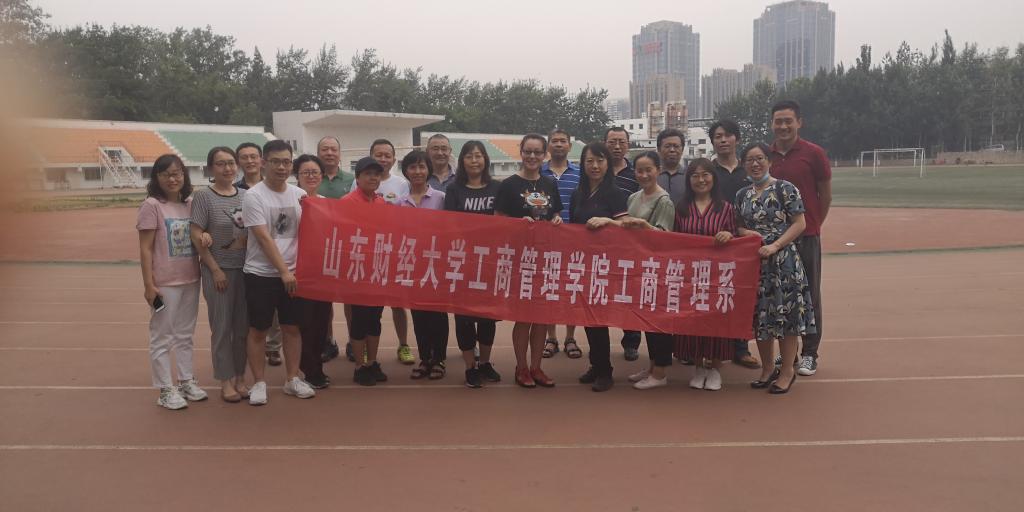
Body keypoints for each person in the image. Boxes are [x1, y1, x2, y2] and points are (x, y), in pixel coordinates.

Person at [736, 142, 816, 395]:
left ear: (769, 161)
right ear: (743, 164)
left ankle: (787, 371)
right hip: (756, 263)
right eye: (750, 160)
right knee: (761, 316)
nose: (755, 164)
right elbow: (738, 225)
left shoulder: (785, 188)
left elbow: (800, 223)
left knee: (786, 316)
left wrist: (776, 245)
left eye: (760, 158)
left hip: (784, 263)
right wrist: (745, 233)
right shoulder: (742, 195)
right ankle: (768, 368)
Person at [241, 139, 316, 405]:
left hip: (295, 274)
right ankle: (259, 383)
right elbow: (263, 237)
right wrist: (284, 271)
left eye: (286, 162)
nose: (282, 167)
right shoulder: (253, 196)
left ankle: (292, 378)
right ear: (264, 163)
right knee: (258, 330)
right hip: (261, 274)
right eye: (276, 162)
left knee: (292, 328)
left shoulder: (299, 195)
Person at [137, 154, 207, 410]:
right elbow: (145, 249)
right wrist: (149, 284)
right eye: (165, 174)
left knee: (185, 334)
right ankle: (165, 389)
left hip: (191, 278)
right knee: (162, 335)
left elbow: (199, 234)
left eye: (177, 173)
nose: (172, 179)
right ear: (157, 178)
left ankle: (186, 380)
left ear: (184, 175)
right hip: (165, 282)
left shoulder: (191, 204)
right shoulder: (152, 205)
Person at [767, 100, 832, 376]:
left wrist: (814, 224)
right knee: (779, 296)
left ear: (799, 123)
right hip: (774, 240)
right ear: (772, 124)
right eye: (778, 121)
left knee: (809, 294)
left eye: (788, 121)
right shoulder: (766, 155)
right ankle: (788, 353)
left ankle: (810, 353)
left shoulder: (813, 153)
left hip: (806, 236)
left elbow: (825, 195)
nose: (783, 126)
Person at [494, 133, 563, 388]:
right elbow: (498, 220)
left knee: (542, 316)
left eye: (537, 152)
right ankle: (521, 367)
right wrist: (516, 224)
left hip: (546, 259)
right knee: (524, 316)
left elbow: (555, 213)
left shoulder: (549, 183)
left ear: (545, 155)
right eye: (528, 151)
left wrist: (556, 219)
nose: (532, 156)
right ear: (521, 152)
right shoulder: (508, 185)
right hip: (521, 260)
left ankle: (537, 367)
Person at [671, 158, 741, 391]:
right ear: (688, 180)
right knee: (693, 319)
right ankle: (699, 366)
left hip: (718, 275)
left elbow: (736, 236)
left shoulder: (726, 208)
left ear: (713, 178)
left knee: (716, 320)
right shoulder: (681, 208)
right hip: (691, 275)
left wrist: (728, 235)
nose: (700, 180)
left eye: (705, 175)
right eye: (695, 176)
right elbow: (674, 240)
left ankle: (715, 368)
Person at [569, 142, 630, 392]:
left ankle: (605, 370)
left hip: (605, 265)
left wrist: (608, 221)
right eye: (590, 161)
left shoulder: (615, 193)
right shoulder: (578, 194)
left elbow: (627, 225)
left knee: (598, 318)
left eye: (600, 160)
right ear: (583, 164)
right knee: (587, 317)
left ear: (608, 163)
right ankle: (596, 364)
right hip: (583, 263)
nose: (595, 166)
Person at [190, 147, 249, 402]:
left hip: (246, 271)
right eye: (221, 164)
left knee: (243, 328)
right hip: (219, 272)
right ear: (211, 168)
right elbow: (196, 234)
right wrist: (215, 270)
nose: (228, 168)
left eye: (231, 163)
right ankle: (225, 380)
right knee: (222, 327)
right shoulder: (204, 197)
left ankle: (240, 377)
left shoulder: (246, 195)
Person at [444, 141, 503, 388]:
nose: (474, 160)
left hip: (489, 262)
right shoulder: (454, 189)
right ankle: (470, 366)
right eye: (469, 156)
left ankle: (485, 362)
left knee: (488, 317)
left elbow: (503, 222)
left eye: (479, 156)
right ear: (462, 161)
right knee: (464, 318)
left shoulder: (497, 188)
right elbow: (449, 225)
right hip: (463, 262)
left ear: (486, 160)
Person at [618, 151, 676, 389]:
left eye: (648, 170)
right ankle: (652, 366)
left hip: (657, 268)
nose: (643, 175)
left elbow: (665, 237)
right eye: (639, 170)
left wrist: (644, 225)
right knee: (645, 319)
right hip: (638, 266)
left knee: (658, 320)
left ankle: (660, 372)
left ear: (658, 171)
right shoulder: (634, 197)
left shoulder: (664, 201)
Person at [708, 119, 761, 370]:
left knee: (741, 294)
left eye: (727, 135)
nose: (723, 140)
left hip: (743, 243)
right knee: (713, 294)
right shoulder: (708, 172)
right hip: (715, 241)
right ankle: (711, 347)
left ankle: (741, 348)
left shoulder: (748, 170)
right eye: (718, 136)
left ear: (736, 139)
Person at [397, 150, 450, 380]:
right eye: (412, 167)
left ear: (428, 170)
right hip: (412, 265)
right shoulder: (400, 203)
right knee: (418, 314)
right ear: (405, 171)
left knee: (437, 314)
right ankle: (425, 358)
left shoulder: (441, 198)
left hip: (437, 265)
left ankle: (439, 359)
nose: (417, 172)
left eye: (421, 167)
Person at [342, 157, 392, 386]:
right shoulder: (347, 202)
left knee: (375, 318)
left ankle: (372, 362)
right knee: (360, 319)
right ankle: (359, 366)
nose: (373, 178)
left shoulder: (382, 203)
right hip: (357, 270)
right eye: (368, 174)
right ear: (358, 177)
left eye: (377, 174)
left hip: (377, 270)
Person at [236, 142, 283, 369]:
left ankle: (273, 347)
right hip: (247, 258)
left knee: (278, 316)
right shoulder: (236, 190)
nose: (250, 161)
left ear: (261, 160)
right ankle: (250, 353)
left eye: (253, 156)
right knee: (254, 313)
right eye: (244, 157)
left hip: (276, 258)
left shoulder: (281, 187)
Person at [539, 128, 582, 361]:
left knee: (571, 290)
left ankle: (570, 337)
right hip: (545, 242)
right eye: (554, 141)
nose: (558, 144)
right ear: (548, 146)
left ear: (569, 146)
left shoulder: (580, 174)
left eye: (562, 141)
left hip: (574, 241)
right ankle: (551, 338)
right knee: (549, 290)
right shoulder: (538, 173)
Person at [291, 154, 332, 389]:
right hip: (298, 271)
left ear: (322, 176)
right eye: (305, 172)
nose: (311, 176)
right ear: (297, 176)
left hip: (322, 272)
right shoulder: (291, 200)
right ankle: (307, 369)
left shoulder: (326, 203)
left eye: (315, 172)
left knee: (321, 322)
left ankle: (316, 365)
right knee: (303, 322)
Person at [605, 126, 642, 361]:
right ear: (605, 144)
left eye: (621, 142)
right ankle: (599, 347)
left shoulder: (636, 173)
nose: (617, 147)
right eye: (612, 142)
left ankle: (631, 342)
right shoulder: (597, 169)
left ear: (628, 145)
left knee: (630, 292)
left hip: (629, 241)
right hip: (601, 243)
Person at [314, 135, 351, 363]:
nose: (329, 153)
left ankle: (354, 340)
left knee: (351, 299)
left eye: (333, 149)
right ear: (318, 153)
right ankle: (328, 341)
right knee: (323, 301)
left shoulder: (352, 179)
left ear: (339, 153)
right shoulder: (310, 178)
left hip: (347, 248)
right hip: (319, 248)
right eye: (324, 149)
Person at [655, 128, 687, 207]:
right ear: (659, 149)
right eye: (667, 146)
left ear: (682, 149)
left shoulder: (690, 176)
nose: (672, 150)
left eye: (676, 146)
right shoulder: (650, 176)